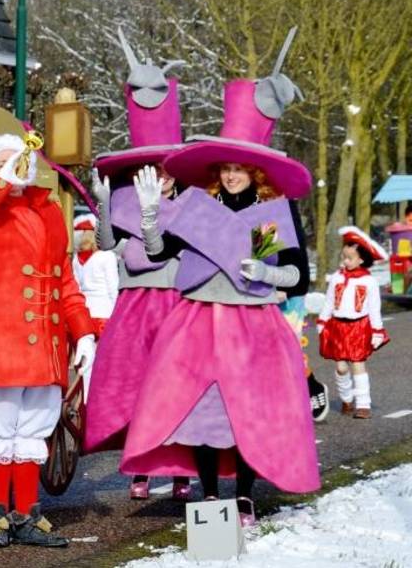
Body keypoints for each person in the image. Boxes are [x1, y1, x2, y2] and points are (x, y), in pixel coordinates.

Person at [122, 40, 319, 526]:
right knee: (204, 414)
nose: (232, 176)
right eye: (225, 168)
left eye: (240, 168)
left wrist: (268, 271)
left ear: (255, 172)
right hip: (196, 323)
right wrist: (151, 218)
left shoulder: (269, 214)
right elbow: (159, 254)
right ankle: (210, 494)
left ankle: (245, 495)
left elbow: (297, 277)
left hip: (253, 327)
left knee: (247, 414)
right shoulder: (196, 206)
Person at [0, 133, 96, 548]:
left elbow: (64, 278)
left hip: (43, 345)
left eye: (20, 161)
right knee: (1, 426)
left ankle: (26, 515)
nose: (16, 168)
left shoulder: (48, 212)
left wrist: (81, 332)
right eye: (5, 162)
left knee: (34, 428)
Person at [84, 31, 192, 501]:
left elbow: (177, 252)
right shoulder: (126, 196)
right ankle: (142, 469)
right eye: (155, 170)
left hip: (174, 304)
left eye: (168, 171)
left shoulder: (193, 204)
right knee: (137, 387)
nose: (161, 179)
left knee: (179, 388)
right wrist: (104, 204)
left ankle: (184, 471)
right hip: (134, 307)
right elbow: (108, 244)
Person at [318, 226, 390, 419]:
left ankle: (363, 404)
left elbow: (374, 308)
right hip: (337, 326)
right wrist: (323, 320)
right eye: (344, 257)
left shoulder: (369, 282)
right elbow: (329, 300)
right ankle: (346, 398)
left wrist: (377, 330)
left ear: (361, 259)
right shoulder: (337, 277)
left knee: (358, 365)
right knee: (341, 367)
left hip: (358, 327)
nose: (345, 261)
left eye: (349, 258)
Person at [71, 215, 119, 335]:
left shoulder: (76, 259)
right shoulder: (108, 256)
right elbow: (113, 288)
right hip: (105, 312)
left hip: (83, 314)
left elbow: (76, 288)